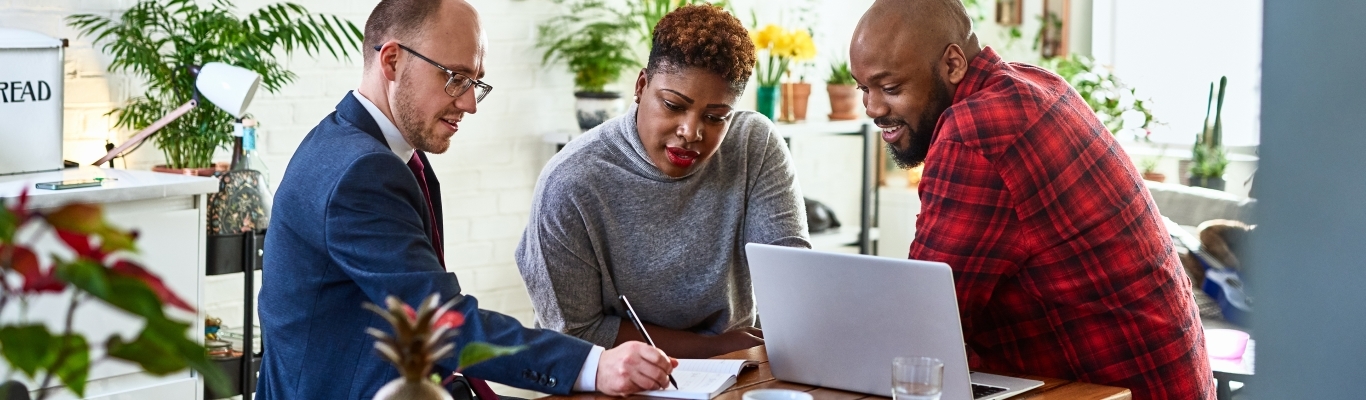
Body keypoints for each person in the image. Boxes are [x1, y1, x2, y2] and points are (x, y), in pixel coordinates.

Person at [256, 0, 677, 398]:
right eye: (455, 77)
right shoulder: (361, 172)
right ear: (392, 60)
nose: (470, 103)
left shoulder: (355, 145)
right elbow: (438, 322)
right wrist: (594, 366)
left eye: (476, 82)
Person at [849, 0, 1214, 399]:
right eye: (863, 88)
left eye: (890, 88)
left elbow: (920, 325)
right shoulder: (1038, 84)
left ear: (953, 64)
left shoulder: (976, 131)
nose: (873, 108)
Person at [516, 5, 808, 359]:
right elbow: (574, 332)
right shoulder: (570, 181)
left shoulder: (753, 144)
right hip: (612, 382)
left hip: (734, 372)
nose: (691, 132)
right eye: (673, 105)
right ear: (641, 86)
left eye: (715, 117)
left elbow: (791, 281)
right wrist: (711, 347)